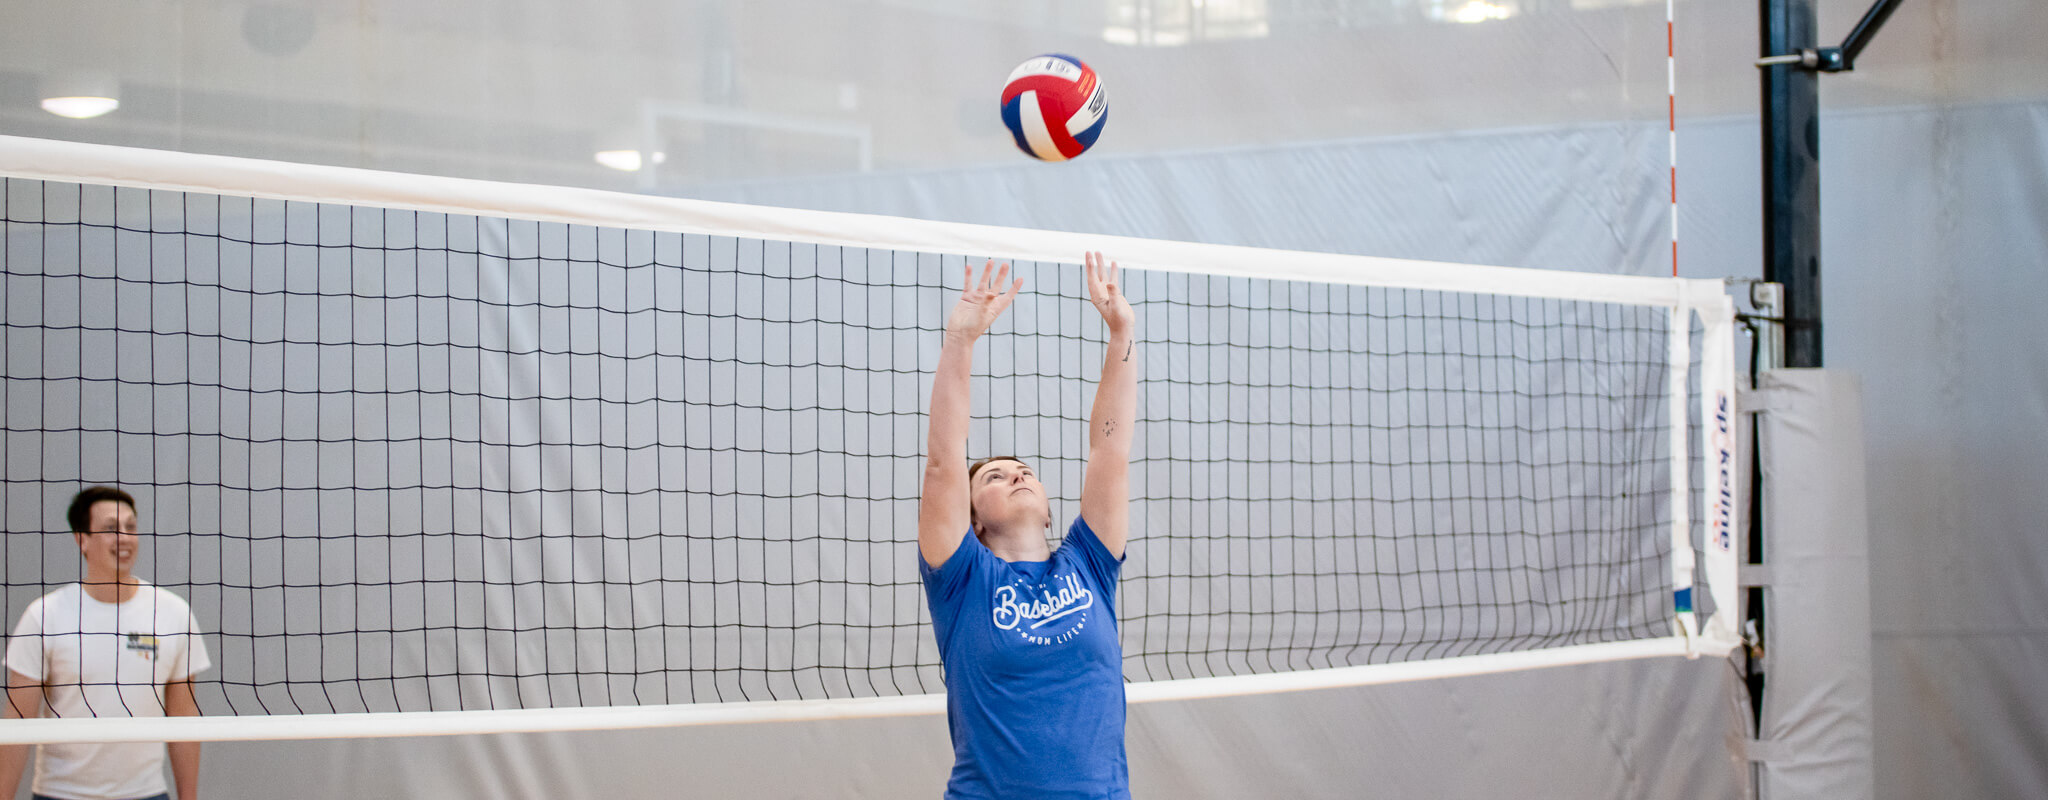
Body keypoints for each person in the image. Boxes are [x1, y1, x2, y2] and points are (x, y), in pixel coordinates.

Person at [918, 252, 1138, 799]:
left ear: (1047, 508)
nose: (1016, 475)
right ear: (971, 520)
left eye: (1025, 473)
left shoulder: (1089, 563)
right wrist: (960, 342)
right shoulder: (962, 577)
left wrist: (1121, 334)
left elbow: (1109, 451)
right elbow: (946, 459)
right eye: (994, 476)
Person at [1, 486, 210, 800]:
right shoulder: (44, 616)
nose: (124, 537)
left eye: (130, 527)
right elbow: (17, 724)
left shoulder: (173, 613)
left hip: (147, 794)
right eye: (111, 528)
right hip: (60, 794)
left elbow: (184, 719)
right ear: (82, 539)